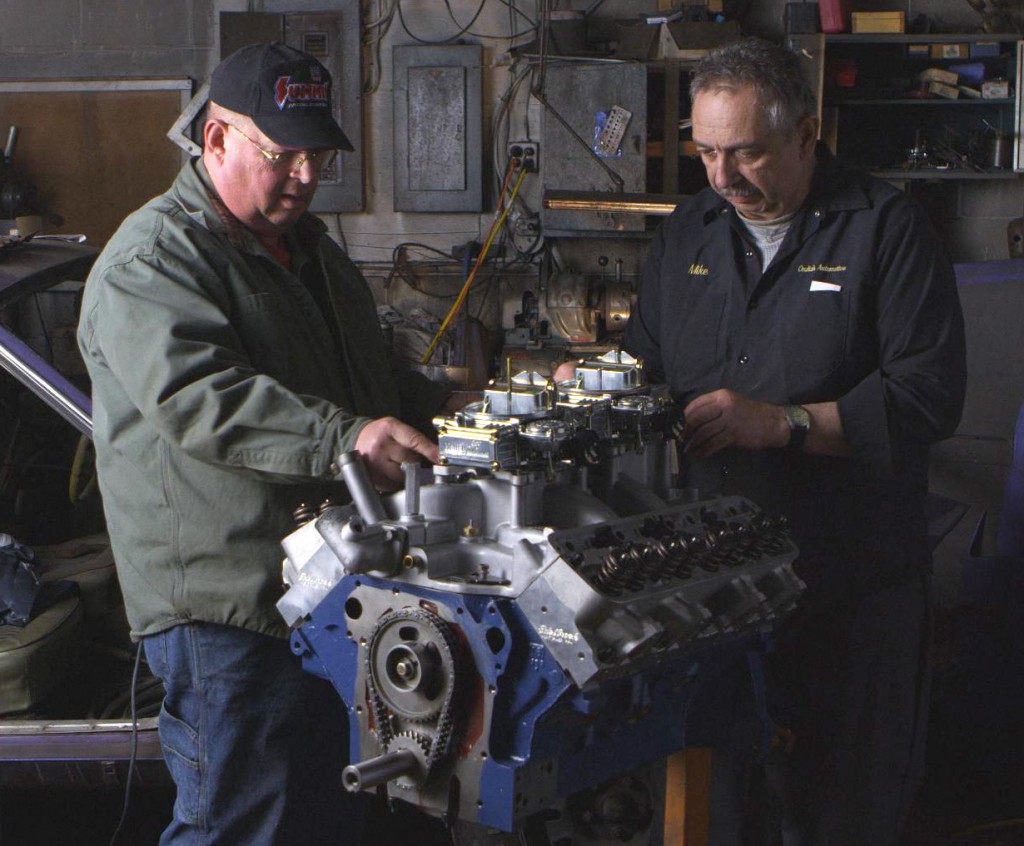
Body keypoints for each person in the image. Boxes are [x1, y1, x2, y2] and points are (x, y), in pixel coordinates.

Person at [77, 42, 459, 845]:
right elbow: (203, 398)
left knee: (336, 815)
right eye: (282, 155)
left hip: (332, 590)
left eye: (317, 156)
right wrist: (348, 438)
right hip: (233, 610)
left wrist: (463, 410)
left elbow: (368, 384)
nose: (306, 177)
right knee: (245, 822)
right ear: (215, 140)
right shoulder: (152, 261)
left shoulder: (313, 255)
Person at [622, 38, 966, 846]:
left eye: (746, 153)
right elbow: (646, 362)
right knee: (721, 806)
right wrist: (597, 382)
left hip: (850, 585)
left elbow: (927, 396)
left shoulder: (888, 229)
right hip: (713, 588)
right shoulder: (689, 233)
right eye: (705, 151)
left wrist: (785, 423)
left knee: (839, 809)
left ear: (806, 135)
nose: (722, 177)